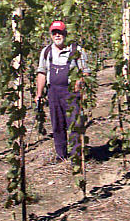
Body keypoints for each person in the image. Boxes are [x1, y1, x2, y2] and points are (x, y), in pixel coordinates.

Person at [35, 20, 91, 161]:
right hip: (53, 92)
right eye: (54, 32)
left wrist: (80, 83)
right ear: (51, 35)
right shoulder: (47, 52)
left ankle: (76, 157)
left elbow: (85, 72)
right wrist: (39, 94)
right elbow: (42, 73)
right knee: (57, 125)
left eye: (60, 32)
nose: (57, 35)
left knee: (74, 124)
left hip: (71, 92)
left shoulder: (76, 50)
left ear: (65, 33)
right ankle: (61, 156)